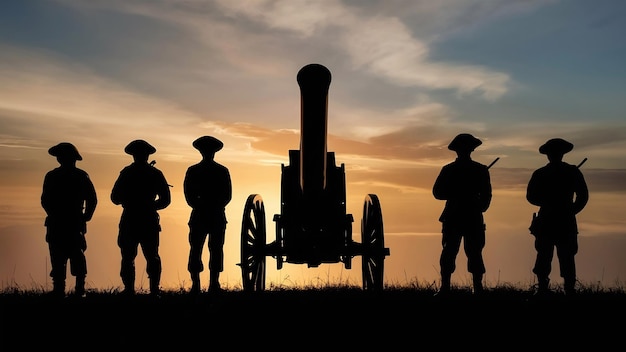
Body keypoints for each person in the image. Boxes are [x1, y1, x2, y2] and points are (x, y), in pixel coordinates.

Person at [526, 138, 589, 296]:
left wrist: (569, 210)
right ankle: (558, 289)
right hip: (560, 220)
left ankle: (547, 289)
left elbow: (531, 197)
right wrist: (570, 210)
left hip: (551, 219)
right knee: (553, 256)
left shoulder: (541, 173)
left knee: (555, 255)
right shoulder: (571, 172)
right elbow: (583, 196)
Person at [432, 133, 492, 295]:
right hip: (461, 216)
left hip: (463, 216)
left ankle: (475, 288)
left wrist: (479, 206)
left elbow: (486, 196)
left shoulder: (455, 170)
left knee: (472, 253)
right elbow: (438, 193)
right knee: (451, 252)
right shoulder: (476, 170)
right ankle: (446, 287)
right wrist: (461, 194)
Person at [111, 139, 171, 296]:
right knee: (148, 256)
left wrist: (133, 202)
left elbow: (115, 198)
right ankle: (153, 290)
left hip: (133, 218)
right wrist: (150, 206)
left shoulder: (126, 173)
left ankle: (133, 290)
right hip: (145, 219)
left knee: (133, 256)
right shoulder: (154, 173)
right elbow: (165, 200)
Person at [41, 142, 97, 298]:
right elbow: (45, 200)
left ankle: (73, 289)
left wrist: (85, 216)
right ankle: (72, 289)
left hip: (65, 223)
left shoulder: (54, 176)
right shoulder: (77, 176)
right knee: (65, 257)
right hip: (68, 222)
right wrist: (85, 216)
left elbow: (45, 200)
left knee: (71, 256)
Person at [184, 136, 232, 293]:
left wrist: (201, 205)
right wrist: (215, 205)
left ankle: (200, 285)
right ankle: (211, 284)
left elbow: (189, 196)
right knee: (212, 248)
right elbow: (227, 195)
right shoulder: (222, 171)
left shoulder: (193, 170)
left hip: (201, 214)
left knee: (198, 248)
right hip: (214, 214)